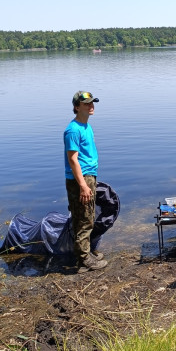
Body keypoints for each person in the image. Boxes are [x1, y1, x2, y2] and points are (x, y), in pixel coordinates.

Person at [64, 90, 108, 271]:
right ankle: (84, 260)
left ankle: (85, 252)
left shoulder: (86, 126)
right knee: (84, 219)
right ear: (76, 107)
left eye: (92, 103)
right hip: (80, 179)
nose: (91, 106)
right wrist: (83, 185)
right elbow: (72, 159)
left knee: (87, 215)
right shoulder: (72, 130)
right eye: (87, 104)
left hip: (88, 176)